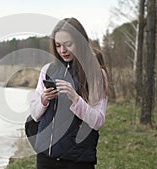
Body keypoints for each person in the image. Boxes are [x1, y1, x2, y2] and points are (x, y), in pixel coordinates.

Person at [29, 17, 108, 169]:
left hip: (78, 160)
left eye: (68, 45)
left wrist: (75, 99)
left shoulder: (96, 73)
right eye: (58, 45)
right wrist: (43, 100)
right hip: (46, 158)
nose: (62, 50)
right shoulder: (48, 70)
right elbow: (34, 114)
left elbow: (98, 122)